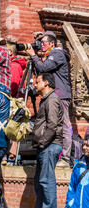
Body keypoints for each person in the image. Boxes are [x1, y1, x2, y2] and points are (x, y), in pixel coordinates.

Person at [25, 31, 72, 167]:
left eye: (43, 42)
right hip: (52, 96)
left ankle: (66, 158)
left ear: (52, 43)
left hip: (60, 95)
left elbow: (43, 67)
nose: (41, 45)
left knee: (63, 125)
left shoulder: (57, 54)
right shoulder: (50, 55)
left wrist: (34, 56)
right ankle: (53, 155)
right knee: (51, 125)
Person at [30, 73, 63, 208]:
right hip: (44, 146)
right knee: (39, 181)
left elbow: (52, 125)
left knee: (46, 180)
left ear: (46, 83)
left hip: (50, 145)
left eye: (38, 82)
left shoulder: (52, 100)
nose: (35, 84)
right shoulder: (46, 99)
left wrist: (43, 143)